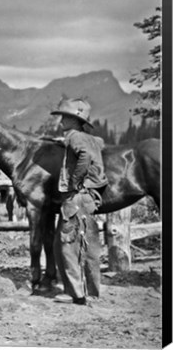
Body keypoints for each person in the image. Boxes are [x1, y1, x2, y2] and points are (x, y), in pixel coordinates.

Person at [50, 98, 108, 305]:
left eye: (65, 117)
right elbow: (93, 149)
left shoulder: (75, 137)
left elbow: (83, 155)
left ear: (75, 120)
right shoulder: (90, 138)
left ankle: (75, 294)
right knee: (87, 245)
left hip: (76, 198)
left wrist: (75, 181)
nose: (61, 121)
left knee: (67, 244)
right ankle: (91, 291)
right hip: (89, 197)